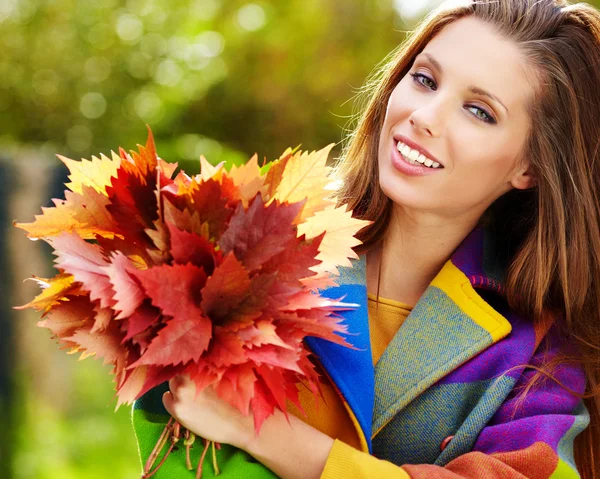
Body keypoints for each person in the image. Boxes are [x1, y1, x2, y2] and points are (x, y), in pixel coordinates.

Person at [132, 0, 600, 477]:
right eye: (424, 80)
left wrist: (265, 433)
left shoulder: (544, 348)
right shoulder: (250, 251)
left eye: (479, 111)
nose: (425, 116)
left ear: (530, 166)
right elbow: (176, 440)